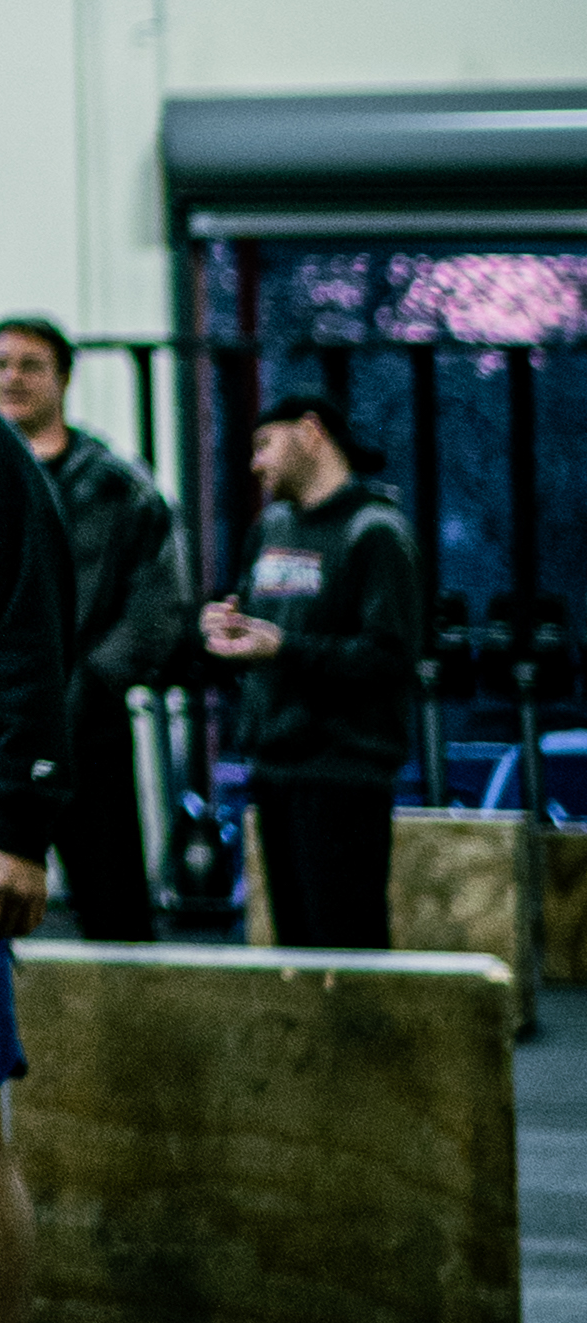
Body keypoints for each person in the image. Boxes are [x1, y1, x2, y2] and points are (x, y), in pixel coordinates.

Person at [0, 315, 188, 943]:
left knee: (114, 905)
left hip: (87, 725)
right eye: (1, 364)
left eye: (30, 365)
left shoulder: (116, 486)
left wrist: (93, 682)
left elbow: (159, 602)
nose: (12, 378)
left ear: (64, 377)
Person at [205, 395, 421, 944]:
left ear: (310, 431)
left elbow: (390, 658)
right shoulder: (271, 526)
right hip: (274, 769)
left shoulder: (375, 530)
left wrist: (284, 648)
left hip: (344, 773)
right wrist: (221, 630)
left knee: (345, 951)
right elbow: (254, 625)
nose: (255, 464)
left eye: (264, 444)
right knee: (296, 955)